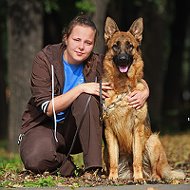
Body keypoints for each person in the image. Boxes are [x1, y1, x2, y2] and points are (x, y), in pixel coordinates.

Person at [18, 14, 149, 177]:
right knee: (35, 160)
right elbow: (47, 107)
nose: (81, 47)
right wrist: (80, 88)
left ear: (94, 45)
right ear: (66, 38)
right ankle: (66, 164)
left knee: (86, 98)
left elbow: (129, 76)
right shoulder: (45, 60)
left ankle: (93, 169)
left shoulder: (99, 64)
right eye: (76, 40)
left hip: (78, 130)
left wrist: (145, 90)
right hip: (45, 126)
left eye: (88, 43)